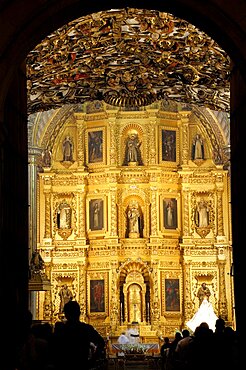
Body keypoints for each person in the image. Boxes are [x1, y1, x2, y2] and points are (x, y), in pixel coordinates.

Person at [52, 300, 105, 370]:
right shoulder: (86, 329)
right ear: (79, 313)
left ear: (66, 314)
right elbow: (101, 342)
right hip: (82, 364)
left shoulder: (61, 330)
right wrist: (93, 360)